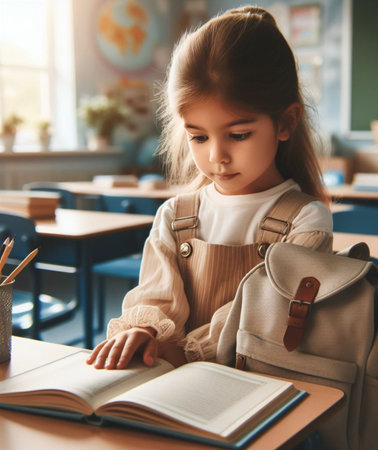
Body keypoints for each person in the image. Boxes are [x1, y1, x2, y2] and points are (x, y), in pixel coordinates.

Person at [87, 6, 332, 370]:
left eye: (238, 135)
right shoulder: (174, 216)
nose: (217, 155)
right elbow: (157, 300)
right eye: (198, 137)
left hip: (261, 388)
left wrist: (186, 353)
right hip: (178, 387)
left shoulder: (307, 221)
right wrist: (143, 330)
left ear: (286, 122)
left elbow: (265, 317)